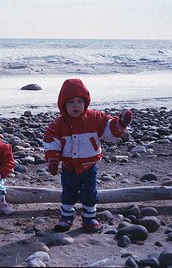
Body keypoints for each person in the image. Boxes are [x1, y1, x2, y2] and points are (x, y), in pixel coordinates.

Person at [43, 78, 133, 233]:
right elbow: (51, 140)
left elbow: (108, 132)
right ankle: (66, 217)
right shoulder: (59, 123)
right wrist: (53, 159)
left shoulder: (96, 118)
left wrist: (120, 123)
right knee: (68, 193)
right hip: (69, 166)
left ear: (86, 102)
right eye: (71, 102)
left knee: (89, 193)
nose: (76, 105)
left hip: (88, 166)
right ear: (63, 105)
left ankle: (89, 218)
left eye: (79, 101)